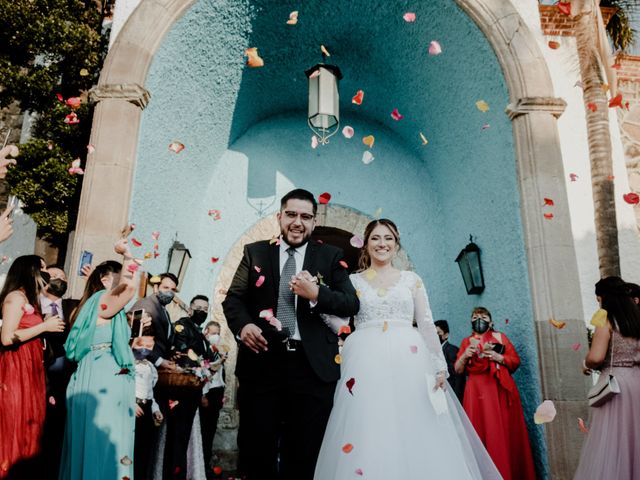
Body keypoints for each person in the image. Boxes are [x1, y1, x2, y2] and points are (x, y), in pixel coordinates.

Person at [314, 220, 501, 480]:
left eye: (388, 238)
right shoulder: (354, 281)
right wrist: (317, 300)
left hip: (410, 359)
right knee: (369, 423)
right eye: (376, 238)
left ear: (396, 243)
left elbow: (425, 323)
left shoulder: (411, 280)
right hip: (366, 361)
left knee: (415, 423)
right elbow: (342, 325)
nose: (382, 244)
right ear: (366, 245)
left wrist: (439, 366)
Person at [223, 188, 360, 480]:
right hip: (262, 364)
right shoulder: (255, 251)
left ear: (314, 222)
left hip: (312, 369)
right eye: (292, 215)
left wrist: (316, 294)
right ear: (280, 217)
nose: (298, 222)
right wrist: (244, 325)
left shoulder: (330, 255)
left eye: (306, 216)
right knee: (256, 450)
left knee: (306, 453)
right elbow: (233, 300)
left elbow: (351, 302)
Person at [59, 241, 139, 480]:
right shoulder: (102, 300)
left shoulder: (88, 306)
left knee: (92, 441)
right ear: (105, 281)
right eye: (117, 278)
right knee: (105, 442)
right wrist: (128, 254)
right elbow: (129, 288)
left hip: (92, 373)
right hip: (102, 376)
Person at [0, 256, 65, 478]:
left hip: (32, 371)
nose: (47, 273)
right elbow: (7, 338)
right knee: (15, 423)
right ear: (30, 271)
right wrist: (44, 326)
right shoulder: (15, 297)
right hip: (16, 371)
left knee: (32, 425)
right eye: (43, 268)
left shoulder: (32, 300)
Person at [454, 307, 535, 480]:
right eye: (475, 317)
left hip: (498, 389)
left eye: (483, 317)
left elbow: (515, 361)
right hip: (475, 391)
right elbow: (458, 369)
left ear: (490, 322)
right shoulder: (466, 341)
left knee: (501, 431)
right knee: (479, 431)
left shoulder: (500, 338)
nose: (479, 319)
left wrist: (498, 358)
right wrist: (465, 356)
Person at [574, 277, 640, 479]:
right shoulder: (637, 319)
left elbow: (596, 357)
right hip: (637, 380)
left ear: (603, 298)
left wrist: (586, 364)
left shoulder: (605, 319)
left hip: (616, 385)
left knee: (612, 440)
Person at [164, 295, 216, 480]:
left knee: (185, 435)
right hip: (182, 389)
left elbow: (207, 356)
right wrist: (199, 365)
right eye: (198, 307)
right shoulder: (182, 325)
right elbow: (183, 351)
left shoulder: (200, 333)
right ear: (191, 308)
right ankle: (172, 473)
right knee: (177, 434)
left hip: (194, 389)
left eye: (205, 308)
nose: (202, 311)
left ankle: (180, 471)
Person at [39, 266, 79, 478]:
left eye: (62, 277)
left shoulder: (72, 305)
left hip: (65, 377)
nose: (58, 280)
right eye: (54, 276)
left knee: (59, 427)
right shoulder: (32, 304)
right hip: (41, 372)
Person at [129, 273, 179, 373]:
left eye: (173, 290)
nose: (169, 292)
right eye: (166, 287)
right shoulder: (145, 304)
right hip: (142, 367)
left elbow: (162, 340)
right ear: (156, 287)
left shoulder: (164, 311)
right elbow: (136, 340)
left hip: (154, 369)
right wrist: (159, 361)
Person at [132, 333, 164, 480]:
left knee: (144, 449)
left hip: (147, 407)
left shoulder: (151, 367)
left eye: (149, 346)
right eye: (141, 345)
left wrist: (155, 410)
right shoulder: (128, 364)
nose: (145, 349)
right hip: (132, 407)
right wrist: (130, 402)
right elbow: (121, 387)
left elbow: (150, 393)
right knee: (131, 448)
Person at [200, 321, 227, 474]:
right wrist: (203, 395)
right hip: (208, 393)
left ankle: (207, 463)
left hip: (217, 392)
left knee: (211, 430)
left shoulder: (217, 351)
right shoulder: (203, 349)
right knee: (205, 429)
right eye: (213, 333)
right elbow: (204, 370)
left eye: (218, 333)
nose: (215, 336)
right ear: (206, 332)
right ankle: (202, 464)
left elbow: (220, 373)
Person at [435, 319, 466, 403]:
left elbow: (458, 377)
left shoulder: (452, 350)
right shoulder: (434, 352)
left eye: (438, 333)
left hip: (451, 395)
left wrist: (456, 399)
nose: (435, 336)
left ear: (446, 335)